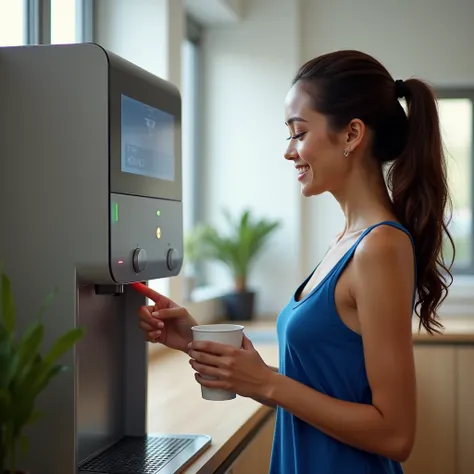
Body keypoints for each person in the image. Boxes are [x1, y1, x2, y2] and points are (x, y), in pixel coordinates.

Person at [136, 50, 454, 474]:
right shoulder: (346, 241)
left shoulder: (380, 247)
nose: (289, 152)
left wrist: (265, 382)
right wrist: (201, 341)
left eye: (298, 132)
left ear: (351, 134)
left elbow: (395, 435)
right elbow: (319, 384)